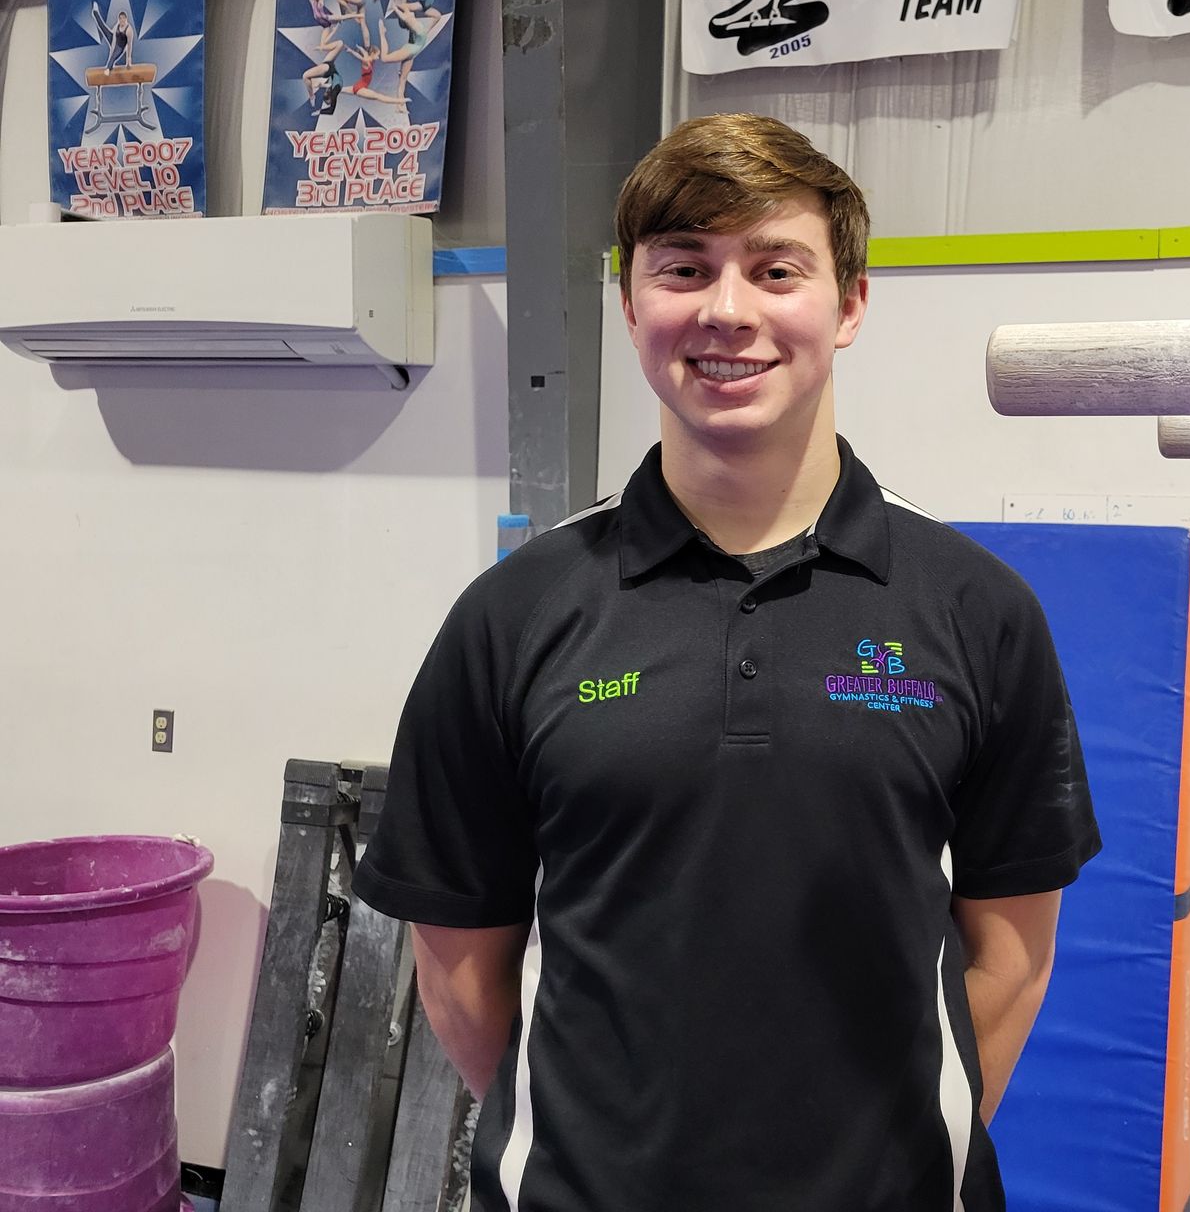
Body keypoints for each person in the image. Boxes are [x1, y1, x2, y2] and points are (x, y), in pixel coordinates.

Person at [355, 113, 1102, 1212]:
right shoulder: (515, 618)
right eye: (684, 268)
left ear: (849, 304)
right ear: (631, 305)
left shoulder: (976, 611)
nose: (727, 310)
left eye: (776, 268)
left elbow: (1014, 959)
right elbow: (461, 974)